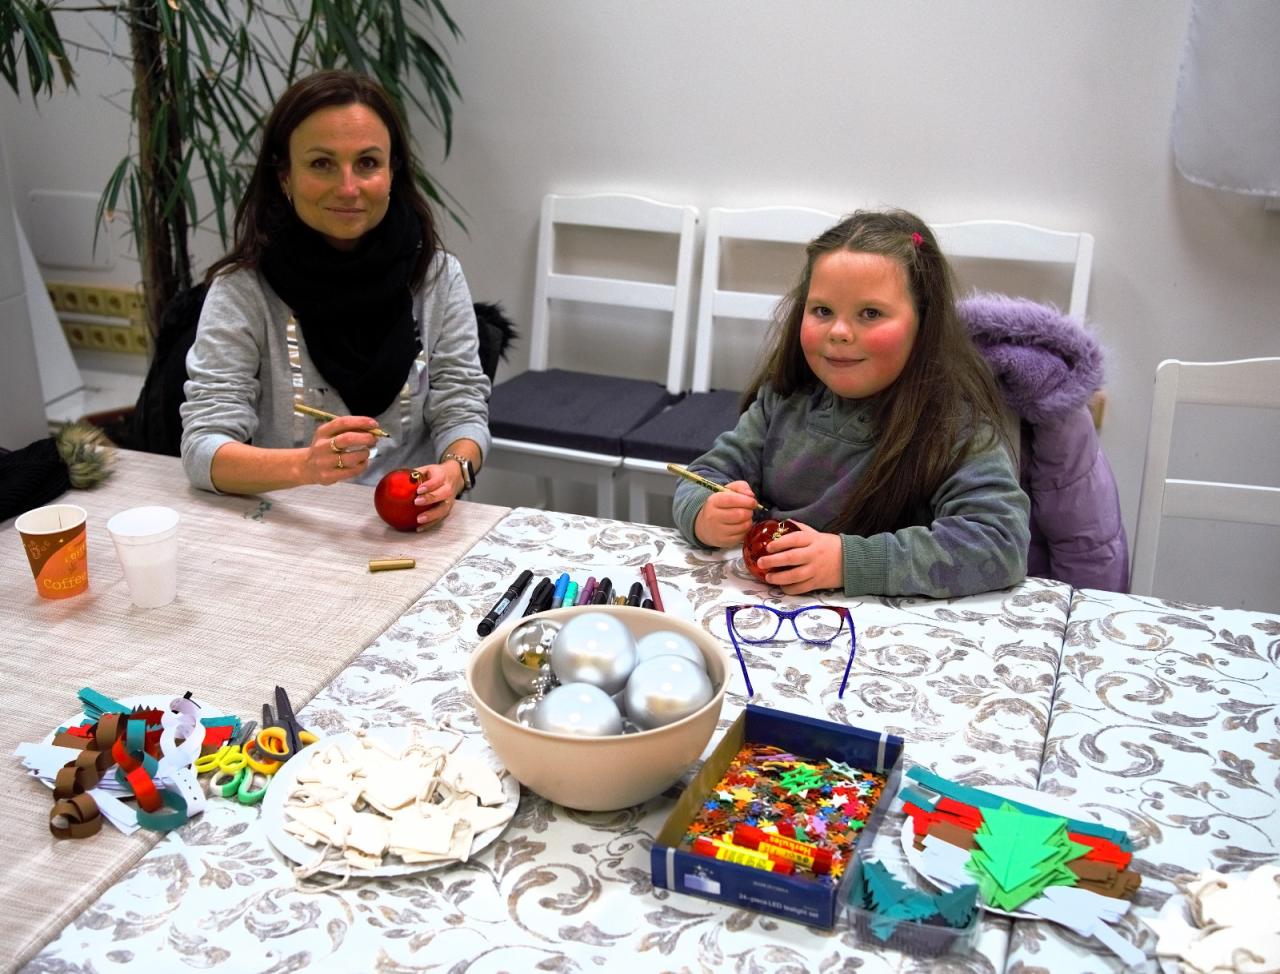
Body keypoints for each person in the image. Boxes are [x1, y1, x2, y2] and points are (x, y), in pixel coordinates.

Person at [180, 70, 489, 530]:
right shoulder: (243, 290)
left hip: (411, 529)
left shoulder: (437, 278)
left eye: (367, 163)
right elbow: (202, 449)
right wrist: (304, 466)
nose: (348, 188)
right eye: (322, 163)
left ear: (392, 172)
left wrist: (455, 470)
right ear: (285, 175)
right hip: (285, 526)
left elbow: (462, 409)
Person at [672, 209, 1030, 598]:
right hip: (767, 614)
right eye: (823, 311)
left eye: (870, 313)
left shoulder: (954, 427)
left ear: (923, 323)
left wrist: (846, 561)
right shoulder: (783, 399)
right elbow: (704, 475)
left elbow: (999, 543)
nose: (839, 332)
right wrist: (705, 513)